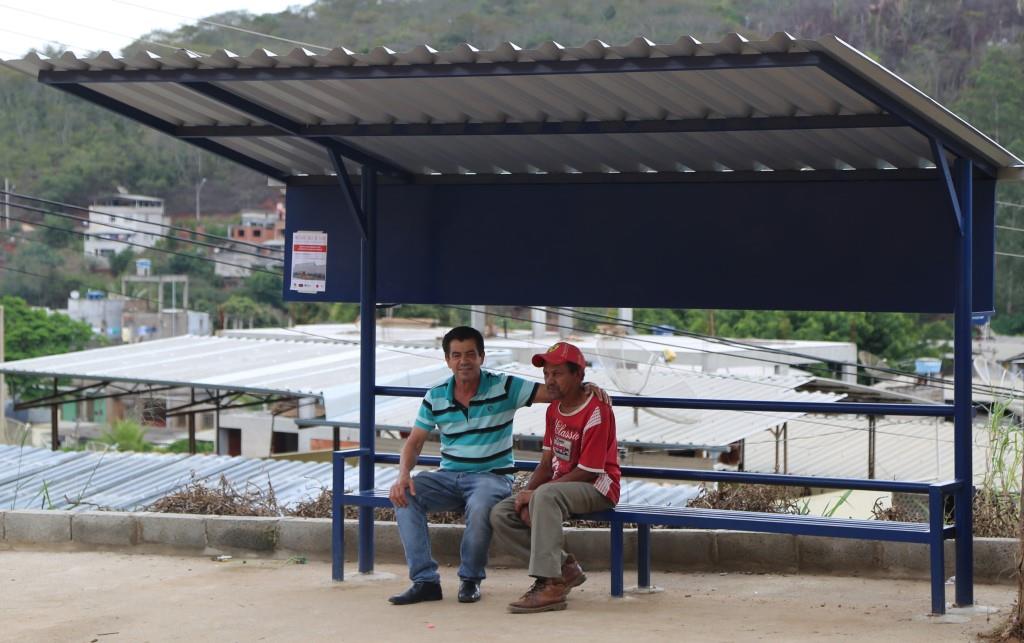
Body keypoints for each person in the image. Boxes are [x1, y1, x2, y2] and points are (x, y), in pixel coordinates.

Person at [387, 327, 607, 606]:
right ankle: (425, 581)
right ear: (447, 360)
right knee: (404, 494)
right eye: (456, 355)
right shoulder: (435, 395)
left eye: (470, 354)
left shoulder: (504, 387)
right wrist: (403, 476)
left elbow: (555, 390)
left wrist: (587, 387)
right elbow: (414, 442)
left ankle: (470, 579)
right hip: (449, 475)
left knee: (481, 506)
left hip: (491, 477)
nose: (463, 361)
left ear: (482, 356)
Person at [490, 341, 620, 614]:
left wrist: (537, 494)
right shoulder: (553, 410)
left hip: (597, 486)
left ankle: (549, 585)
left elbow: (588, 470)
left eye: (558, 374)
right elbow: (547, 465)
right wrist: (526, 493)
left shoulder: (597, 409)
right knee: (501, 513)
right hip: (561, 487)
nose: (550, 380)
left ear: (578, 376)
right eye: (547, 374)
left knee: (545, 495)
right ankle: (564, 569)